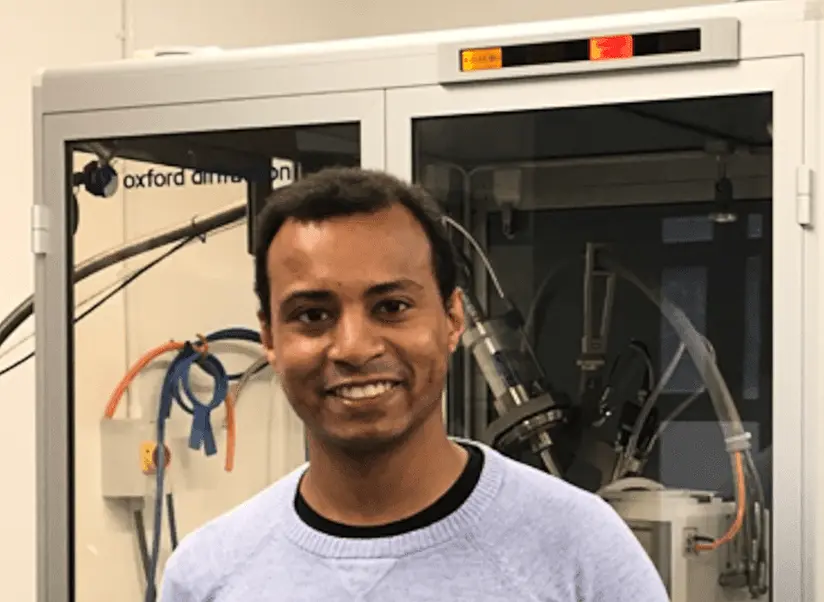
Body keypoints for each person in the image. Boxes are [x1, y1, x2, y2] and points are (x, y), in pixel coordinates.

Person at [158, 167, 668, 601]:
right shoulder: (209, 575)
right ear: (270, 337)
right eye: (313, 315)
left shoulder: (579, 550)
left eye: (392, 307)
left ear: (451, 319)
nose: (355, 347)